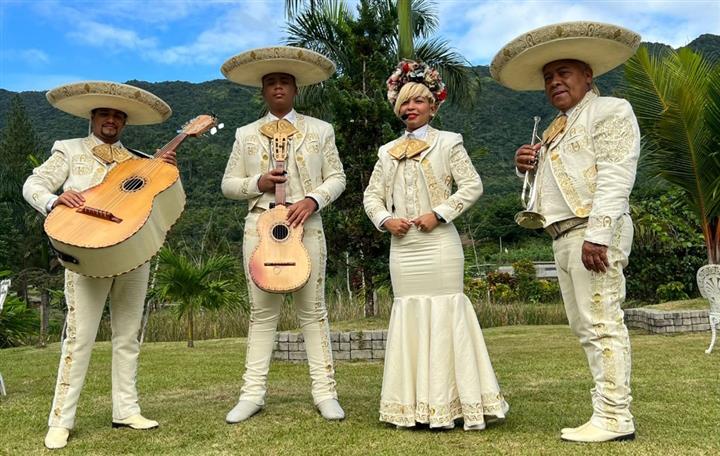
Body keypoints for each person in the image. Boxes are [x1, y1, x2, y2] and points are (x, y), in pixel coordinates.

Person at [491, 21, 642, 442]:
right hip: (562, 235)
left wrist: (600, 233)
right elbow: (559, 183)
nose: (555, 82)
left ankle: (614, 417)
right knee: (585, 327)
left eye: (565, 73)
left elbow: (615, 175)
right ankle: (609, 412)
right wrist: (528, 165)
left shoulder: (610, 110)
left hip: (591, 232)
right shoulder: (557, 126)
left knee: (602, 323)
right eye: (549, 77)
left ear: (588, 76)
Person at [23, 81, 175, 449]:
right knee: (79, 336)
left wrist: (166, 170)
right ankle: (61, 419)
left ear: (125, 123)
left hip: (132, 254)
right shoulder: (68, 150)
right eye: (104, 113)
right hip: (86, 254)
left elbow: (155, 202)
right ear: (92, 117)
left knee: (128, 335)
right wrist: (54, 200)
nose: (111, 120)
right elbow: (33, 183)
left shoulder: (139, 161)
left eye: (118, 116)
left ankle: (126, 409)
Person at [363, 60, 508, 431]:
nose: (410, 108)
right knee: (409, 315)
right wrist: (385, 220)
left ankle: (454, 405)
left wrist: (439, 214)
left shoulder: (449, 142)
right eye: (404, 103)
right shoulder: (385, 151)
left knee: (446, 316)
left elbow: (472, 186)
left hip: (440, 246)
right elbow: (371, 197)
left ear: (433, 105)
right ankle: (410, 407)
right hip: (403, 250)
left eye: (419, 102)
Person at [220, 46, 346, 422]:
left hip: (306, 225)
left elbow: (337, 177)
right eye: (271, 82)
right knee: (262, 314)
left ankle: (325, 392)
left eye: (285, 82)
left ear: (296, 90)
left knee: (313, 312)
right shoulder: (245, 135)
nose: (278, 88)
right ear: (262, 91)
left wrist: (313, 200)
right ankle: (252, 394)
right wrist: (256, 182)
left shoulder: (320, 130)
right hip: (260, 225)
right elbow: (227, 184)